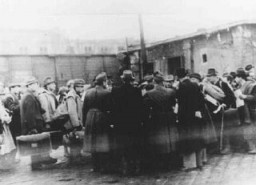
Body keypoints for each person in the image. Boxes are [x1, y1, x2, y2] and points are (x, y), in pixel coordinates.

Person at [143, 71, 179, 170]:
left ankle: (161, 162)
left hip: (157, 117)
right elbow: (173, 104)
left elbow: (146, 106)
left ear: (154, 81)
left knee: (160, 139)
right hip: (169, 116)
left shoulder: (149, 93)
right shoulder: (171, 91)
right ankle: (172, 161)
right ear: (163, 81)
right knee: (170, 138)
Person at [111, 70, 144, 175]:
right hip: (134, 123)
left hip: (121, 123)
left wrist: (114, 121)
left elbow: (114, 109)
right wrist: (141, 121)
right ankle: (134, 167)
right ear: (132, 80)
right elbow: (140, 108)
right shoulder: (137, 91)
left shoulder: (116, 91)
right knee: (134, 145)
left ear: (123, 79)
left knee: (123, 145)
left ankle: (125, 168)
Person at [20, 76, 57, 170]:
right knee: (34, 144)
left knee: (35, 144)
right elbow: (29, 114)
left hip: (35, 124)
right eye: (35, 84)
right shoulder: (29, 96)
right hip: (34, 125)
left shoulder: (29, 95)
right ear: (30, 85)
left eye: (36, 83)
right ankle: (36, 165)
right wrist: (32, 127)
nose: (37, 85)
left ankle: (37, 163)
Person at [176, 68, 205, 170]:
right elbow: (201, 100)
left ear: (177, 77)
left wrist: (179, 118)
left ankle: (190, 165)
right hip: (196, 116)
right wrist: (197, 111)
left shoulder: (181, 87)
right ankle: (199, 162)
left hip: (185, 118)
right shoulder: (195, 85)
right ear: (187, 75)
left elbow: (181, 104)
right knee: (196, 138)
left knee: (187, 140)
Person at [83, 72, 112, 172]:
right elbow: (110, 108)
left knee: (93, 142)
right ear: (104, 82)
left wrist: (84, 122)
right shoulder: (107, 92)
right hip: (101, 118)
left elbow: (84, 108)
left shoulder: (88, 92)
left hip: (90, 117)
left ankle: (95, 166)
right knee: (102, 141)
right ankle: (104, 166)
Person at [206, 68, 236, 154]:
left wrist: (225, 104)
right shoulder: (209, 85)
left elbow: (231, 97)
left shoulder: (223, 84)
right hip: (214, 111)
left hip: (223, 110)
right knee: (216, 128)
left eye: (210, 76)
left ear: (215, 76)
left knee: (224, 129)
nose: (208, 78)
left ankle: (227, 147)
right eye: (208, 76)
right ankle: (218, 147)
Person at [235, 69, 256, 154]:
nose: (235, 79)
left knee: (250, 129)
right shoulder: (239, 86)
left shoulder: (251, 85)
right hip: (243, 110)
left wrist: (245, 96)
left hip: (251, 111)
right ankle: (251, 147)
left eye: (236, 77)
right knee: (247, 129)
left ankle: (253, 148)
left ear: (240, 77)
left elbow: (254, 97)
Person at [65, 78, 84, 163]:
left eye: (82, 87)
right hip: (73, 125)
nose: (82, 89)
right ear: (76, 87)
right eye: (80, 87)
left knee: (76, 141)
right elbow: (72, 112)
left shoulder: (75, 95)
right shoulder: (71, 96)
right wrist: (76, 124)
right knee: (74, 140)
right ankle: (75, 159)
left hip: (76, 123)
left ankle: (76, 157)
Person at [2, 82, 22, 163]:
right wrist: (21, 104)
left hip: (15, 122)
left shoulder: (14, 96)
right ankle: (11, 159)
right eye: (16, 87)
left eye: (18, 87)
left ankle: (12, 158)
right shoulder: (9, 97)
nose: (18, 89)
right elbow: (12, 108)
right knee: (13, 140)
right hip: (13, 123)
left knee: (15, 140)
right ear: (12, 88)